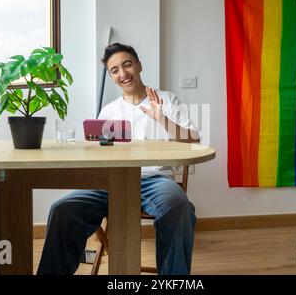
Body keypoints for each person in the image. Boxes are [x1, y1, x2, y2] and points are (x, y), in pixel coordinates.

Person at [37, 43, 200, 275]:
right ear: (111, 77)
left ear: (139, 65)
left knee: (179, 207)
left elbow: (195, 140)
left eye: (127, 64)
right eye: (114, 70)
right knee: (63, 208)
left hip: (155, 179)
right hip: (110, 182)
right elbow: (99, 155)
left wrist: (161, 118)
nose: (123, 73)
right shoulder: (109, 111)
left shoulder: (166, 100)